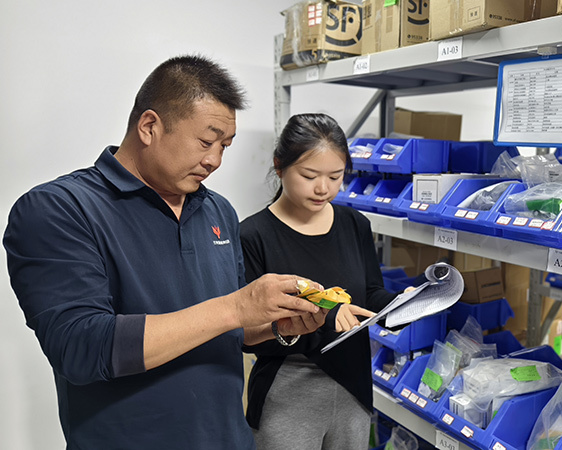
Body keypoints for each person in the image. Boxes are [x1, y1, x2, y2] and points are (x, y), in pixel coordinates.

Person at [3, 55, 328, 449]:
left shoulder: (218, 211)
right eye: (206, 142)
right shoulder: (58, 209)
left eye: (224, 146)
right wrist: (236, 307)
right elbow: (81, 348)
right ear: (149, 126)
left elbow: (228, 328)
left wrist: (275, 325)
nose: (214, 160)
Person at [240, 113, 398, 449]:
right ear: (279, 166)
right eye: (309, 176)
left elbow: (369, 292)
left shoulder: (354, 224)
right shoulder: (253, 235)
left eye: (335, 176)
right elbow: (248, 335)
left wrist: (400, 306)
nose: (323, 188)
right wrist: (323, 318)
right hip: (288, 391)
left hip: (353, 388)